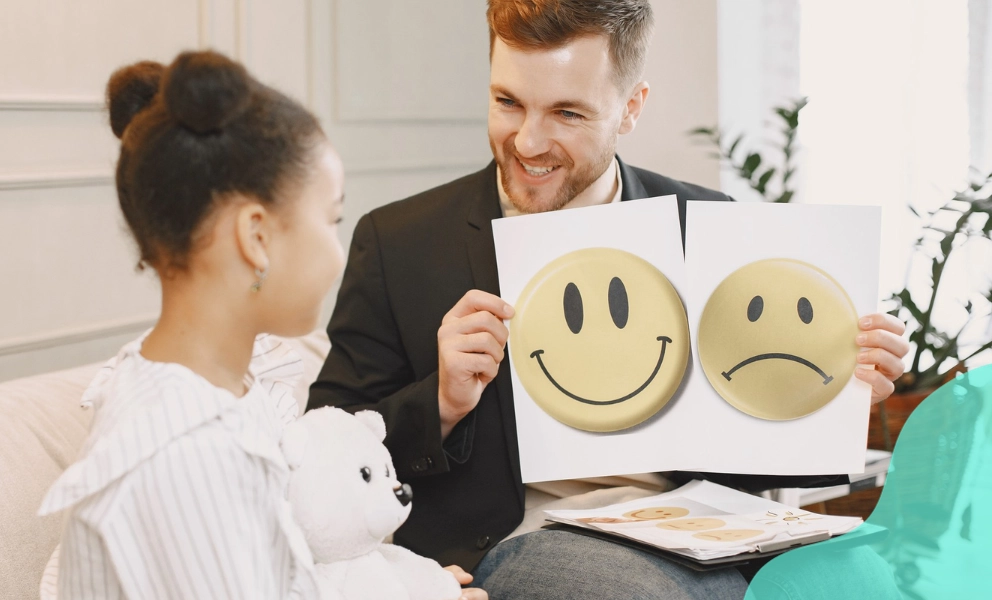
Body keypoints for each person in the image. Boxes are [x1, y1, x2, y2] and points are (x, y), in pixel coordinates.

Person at [307, 1, 909, 597]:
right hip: (525, 542)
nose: (528, 140)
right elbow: (320, 450)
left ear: (631, 108)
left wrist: (836, 390)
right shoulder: (400, 241)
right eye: (507, 102)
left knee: (869, 583)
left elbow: (749, 451)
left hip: (702, 535)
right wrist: (440, 401)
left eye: (567, 112)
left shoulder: (705, 223)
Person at [36, 51, 486, 599]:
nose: (339, 252)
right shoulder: (184, 450)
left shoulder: (222, 393)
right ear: (256, 237)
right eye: (331, 220)